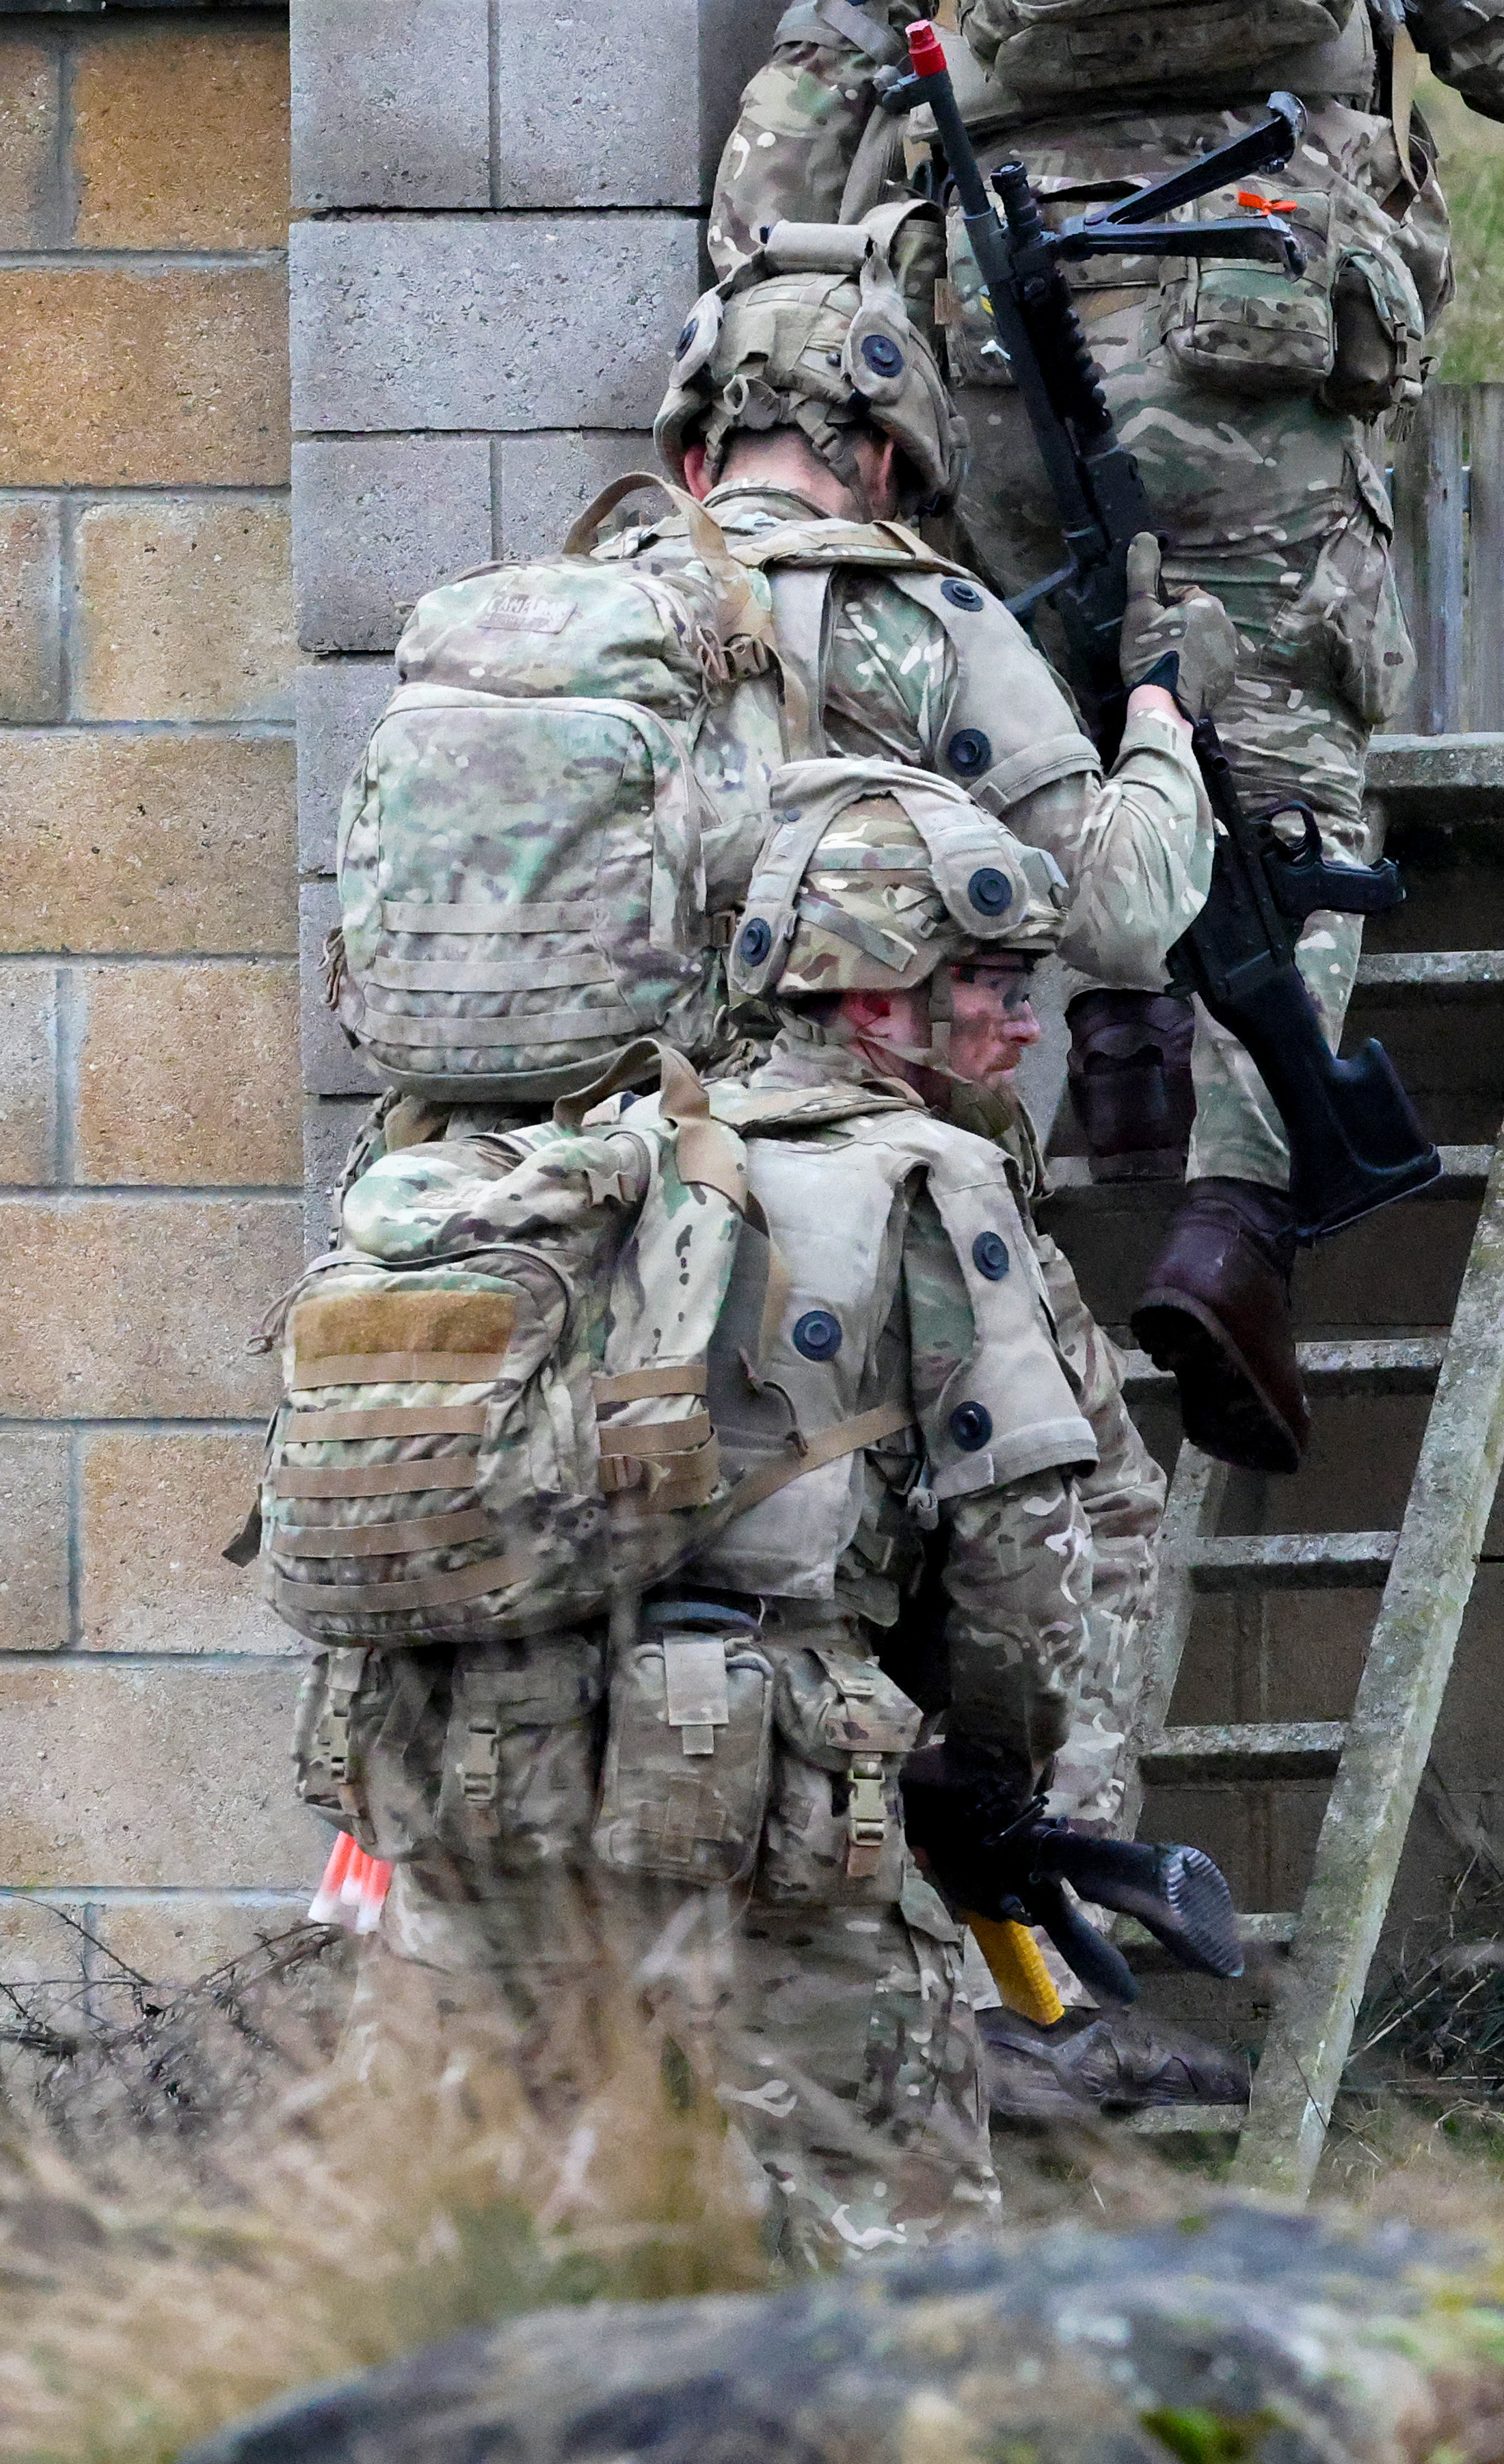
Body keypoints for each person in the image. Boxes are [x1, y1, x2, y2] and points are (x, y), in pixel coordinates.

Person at [703, 0, 1504, 1479]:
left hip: (1003, 368)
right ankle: (1221, 1217)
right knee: (1276, 798)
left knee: (1042, 757)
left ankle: (1057, 1153)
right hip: (1260, 359)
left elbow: (772, 170)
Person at [332, 771, 1217, 2258]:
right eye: (986, 983)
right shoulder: (932, 1180)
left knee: (472, 2241)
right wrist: (995, 1773)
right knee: (881, 2246)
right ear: (872, 1007)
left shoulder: (578, 1161)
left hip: (472, 1766)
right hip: (767, 1792)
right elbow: (1023, 1559)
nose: (1022, 1022)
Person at [615, 234, 1229, 1842]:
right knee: (1077, 1511)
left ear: (691, 449)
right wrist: (1160, 723)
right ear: (882, 454)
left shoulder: (570, 615)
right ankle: (1047, 1940)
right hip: (865, 1191)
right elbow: (1118, 906)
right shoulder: (911, 618)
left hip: (608, 1201)